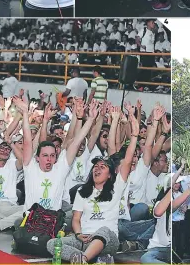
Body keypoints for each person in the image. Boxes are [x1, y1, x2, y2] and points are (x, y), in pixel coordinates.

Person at [45, 107, 140, 263]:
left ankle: (83, 259)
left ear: (110, 174)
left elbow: (128, 160)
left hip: (109, 240)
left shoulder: (116, 187)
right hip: (85, 239)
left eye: (102, 167)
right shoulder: (83, 191)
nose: (97, 169)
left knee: (103, 231)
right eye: (96, 166)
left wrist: (134, 134)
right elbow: (76, 219)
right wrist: (77, 234)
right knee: (53, 243)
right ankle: (90, 257)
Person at [141, 168, 190, 264]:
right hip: (158, 249)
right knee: (145, 259)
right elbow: (159, 212)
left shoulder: (175, 200)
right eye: (174, 183)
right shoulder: (160, 203)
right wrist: (169, 190)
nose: (176, 185)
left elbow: (174, 205)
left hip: (171, 249)